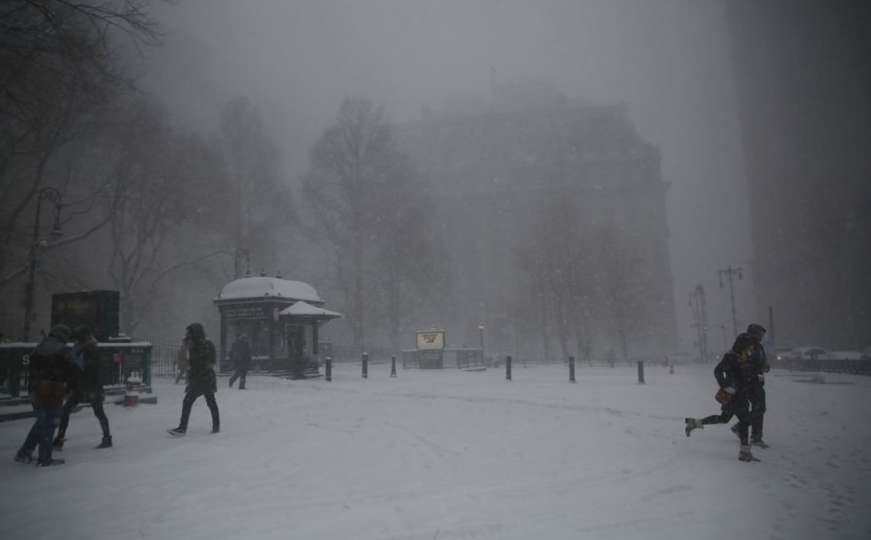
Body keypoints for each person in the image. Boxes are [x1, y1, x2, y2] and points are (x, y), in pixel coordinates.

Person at [684, 333, 759, 462]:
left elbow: (745, 374)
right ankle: (744, 453)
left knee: (724, 418)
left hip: (741, 393)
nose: (750, 348)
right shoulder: (731, 357)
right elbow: (717, 370)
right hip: (734, 395)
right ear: (742, 344)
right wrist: (725, 385)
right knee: (745, 421)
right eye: (748, 346)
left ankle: (695, 423)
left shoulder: (744, 357)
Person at [14, 325, 75, 466]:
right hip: (54, 391)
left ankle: (24, 452)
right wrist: (70, 388)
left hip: (37, 389)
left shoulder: (40, 347)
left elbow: (31, 368)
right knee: (50, 423)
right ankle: (45, 458)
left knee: (41, 423)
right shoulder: (63, 351)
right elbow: (70, 372)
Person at [53, 326, 112, 450]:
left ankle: (107, 438)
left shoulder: (89, 351)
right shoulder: (81, 350)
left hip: (89, 388)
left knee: (97, 412)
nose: (78, 342)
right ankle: (60, 438)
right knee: (68, 411)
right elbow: (77, 370)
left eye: (80, 340)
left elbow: (90, 371)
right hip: (83, 387)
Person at [168, 323, 219, 436]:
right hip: (199, 378)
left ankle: (183, 428)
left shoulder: (206, 344)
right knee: (205, 402)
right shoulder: (191, 344)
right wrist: (187, 350)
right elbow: (187, 361)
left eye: (189, 333)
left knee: (206, 402)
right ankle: (215, 426)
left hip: (204, 378)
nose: (187, 335)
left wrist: (192, 353)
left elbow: (210, 361)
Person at [730, 323, 770, 447]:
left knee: (759, 407)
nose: (762, 336)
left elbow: (762, 362)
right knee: (759, 407)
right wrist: (755, 369)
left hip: (755, 381)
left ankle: (747, 430)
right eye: (760, 334)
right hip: (748, 382)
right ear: (754, 333)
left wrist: (765, 367)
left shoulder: (757, 346)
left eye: (763, 334)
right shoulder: (749, 345)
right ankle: (755, 437)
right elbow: (742, 362)